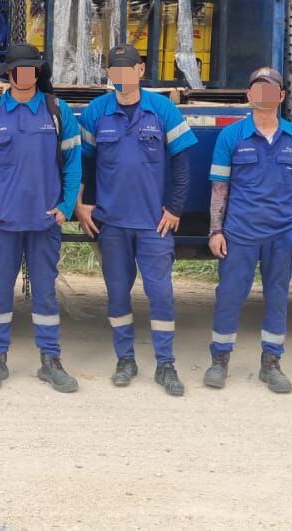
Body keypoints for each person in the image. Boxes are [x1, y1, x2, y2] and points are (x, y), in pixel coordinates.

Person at [75, 44, 195, 397]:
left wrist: (174, 209)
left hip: (152, 224)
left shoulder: (163, 109)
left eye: (129, 70)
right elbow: (83, 162)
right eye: (116, 70)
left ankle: (165, 364)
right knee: (116, 294)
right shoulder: (97, 111)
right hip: (111, 223)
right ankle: (125, 359)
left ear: (141, 71)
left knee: (160, 293)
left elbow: (183, 165)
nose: (123, 77)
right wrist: (81, 205)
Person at [0, 42, 83, 393]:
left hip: (45, 223)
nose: (24, 75)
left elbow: (74, 161)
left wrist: (66, 206)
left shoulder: (57, 110)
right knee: (0, 294)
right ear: (10, 74)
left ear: (37, 73)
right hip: (3, 224)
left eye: (31, 69)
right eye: (19, 69)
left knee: (45, 295)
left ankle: (50, 360)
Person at [204, 67, 292, 394]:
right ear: (249, 96)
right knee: (229, 295)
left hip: (282, 235)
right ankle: (219, 361)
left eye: (271, 90)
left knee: (277, 298)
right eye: (258, 89)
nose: (265, 95)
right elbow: (219, 188)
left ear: (282, 96)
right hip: (239, 234)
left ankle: (271, 364)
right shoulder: (231, 136)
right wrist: (216, 231)